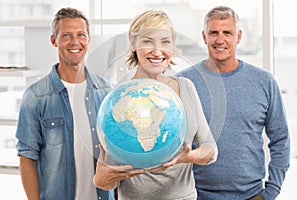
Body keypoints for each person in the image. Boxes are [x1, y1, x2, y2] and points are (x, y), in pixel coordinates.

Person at [93, 10, 218, 200]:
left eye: (165, 42)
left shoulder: (186, 87)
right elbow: (111, 178)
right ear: (133, 43)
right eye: (147, 41)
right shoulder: (119, 99)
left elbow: (210, 149)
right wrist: (101, 180)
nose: (157, 51)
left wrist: (187, 157)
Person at [177, 6, 290, 200]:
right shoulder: (184, 83)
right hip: (196, 195)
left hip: (252, 195)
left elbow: (281, 141)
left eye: (227, 33)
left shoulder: (264, 82)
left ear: (238, 36)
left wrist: (271, 192)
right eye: (214, 33)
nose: (220, 40)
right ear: (204, 37)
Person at [15, 7, 114, 200]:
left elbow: (115, 153)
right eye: (66, 35)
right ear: (54, 40)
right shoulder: (35, 96)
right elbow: (27, 159)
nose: (75, 42)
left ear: (88, 39)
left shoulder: (106, 92)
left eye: (81, 35)